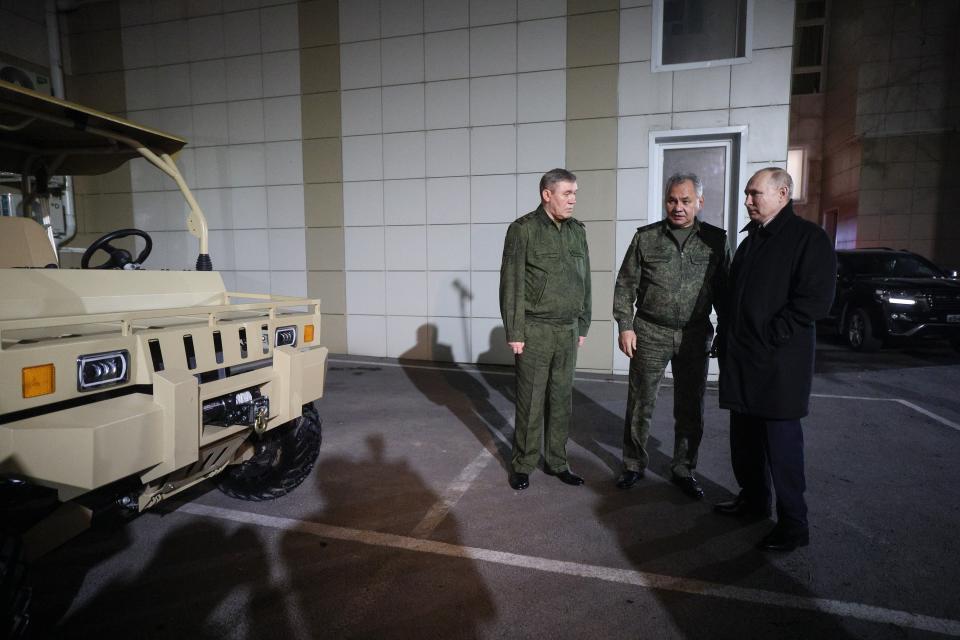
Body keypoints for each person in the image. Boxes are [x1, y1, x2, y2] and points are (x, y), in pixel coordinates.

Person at [714, 167, 836, 552]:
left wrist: (770, 336)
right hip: (744, 362)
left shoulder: (808, 239)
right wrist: (726, 336)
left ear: (783, 194)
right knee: (745, 442)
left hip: (779, 366)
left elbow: (814, 301)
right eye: (748, 194)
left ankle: (793, 525)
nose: (748, 201)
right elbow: (737, 299)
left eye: (755, 194)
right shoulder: (752, 241)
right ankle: (753, 501)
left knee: (782, 450)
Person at [612, 173, 730, 499]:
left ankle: (683, 468)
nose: (678, 207)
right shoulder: (646, 239)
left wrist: (725, 330)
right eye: (672, 200)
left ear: (699, 203)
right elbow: (625, 286)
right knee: (640, 403)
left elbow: (725, 292)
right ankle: (633, 464)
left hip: (694, 335)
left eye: (685, 201)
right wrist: (625, 326)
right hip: (650, 331)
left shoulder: (715, 241)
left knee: (691, 406)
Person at [499, 168, 591, 491]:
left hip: (567, 330)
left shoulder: (577, 231)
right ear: (546, 194)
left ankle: (557, 461)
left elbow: (585, 279)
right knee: (531, 400)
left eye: (575, 194)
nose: (573, 200)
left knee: (561, 399)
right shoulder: (523, 230)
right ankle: (523, 463)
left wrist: (584, 321)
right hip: (535, 329)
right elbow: (511, 283)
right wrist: (515, 331)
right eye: (567, 193)